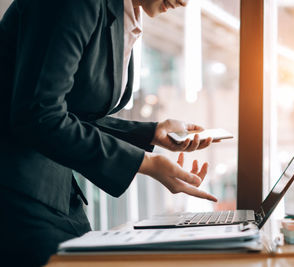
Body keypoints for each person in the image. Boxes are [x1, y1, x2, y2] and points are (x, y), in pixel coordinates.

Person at [0, 0, 216, 266]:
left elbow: (72, 114)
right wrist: (145, 163)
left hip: (51, 191)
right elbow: (39, 115)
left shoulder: (121, 12)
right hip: (16, 193)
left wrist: (151, 133)